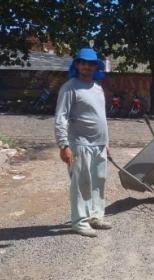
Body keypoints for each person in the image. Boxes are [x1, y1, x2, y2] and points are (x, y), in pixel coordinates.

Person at [54, 48, 111, 237]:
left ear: (96, 67)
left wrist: (107, 142)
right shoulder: (70, 87)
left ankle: (95, 216)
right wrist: (63, 145)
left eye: (91, 63)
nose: (87, 66)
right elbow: (61, 118)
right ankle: (79, 222)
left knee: (98, 182)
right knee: (81, 184)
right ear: (77, 65)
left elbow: (101, 117)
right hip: (80, 144)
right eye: (83, 63)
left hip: (99, 145)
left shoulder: (98, 88)